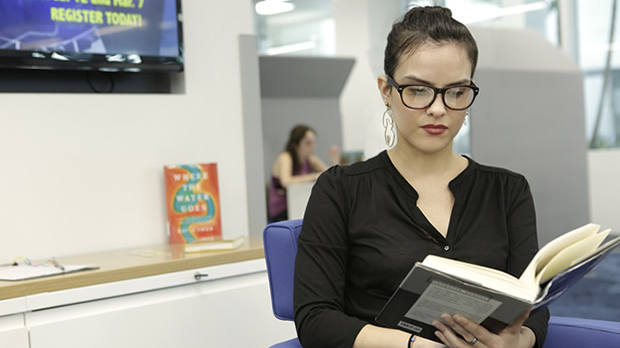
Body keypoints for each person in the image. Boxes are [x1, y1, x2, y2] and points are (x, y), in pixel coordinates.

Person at [293, 6, 549, 348]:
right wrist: (415, 346)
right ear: (386, 90)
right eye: (418, 90)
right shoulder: (342, 189)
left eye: (456, 92)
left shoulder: (507, 190)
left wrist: (519, 342)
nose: (438, 108)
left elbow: (533, 306)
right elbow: (315, 318)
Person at [268, 125, 340, 222]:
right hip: (281, 210)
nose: (312, 147)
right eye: (307, 143)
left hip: (298, 205)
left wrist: (335, 161)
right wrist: (314, 176)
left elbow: (331, 175)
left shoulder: (310, 159)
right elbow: (286, 181)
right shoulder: (285, 157)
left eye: (313, 142)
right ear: (295, 144)